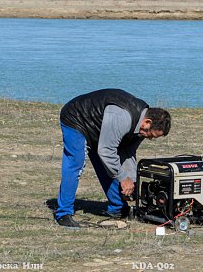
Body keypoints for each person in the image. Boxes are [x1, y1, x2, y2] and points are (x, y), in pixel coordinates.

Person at [54, 88, 171, 228]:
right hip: (76, 118)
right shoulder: (122, 117)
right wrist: (123, 178)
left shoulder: (140, 128)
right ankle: (63, 213)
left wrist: (131, 181)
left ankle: (117, 208)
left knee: (109, 164)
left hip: (100, 131)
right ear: (147, 121)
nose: (150, 139)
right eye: (151, 135)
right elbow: (106, 150)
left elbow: (127, 152)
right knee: (76, 163)